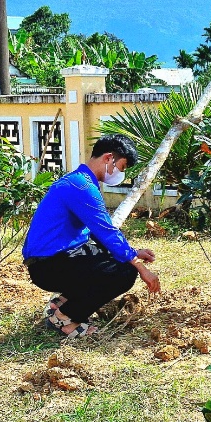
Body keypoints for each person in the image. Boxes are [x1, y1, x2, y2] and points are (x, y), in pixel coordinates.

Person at [23, 135, 161, 338]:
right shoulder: (82, 187)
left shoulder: (80, 181)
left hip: (56, 256)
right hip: (46, 265)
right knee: (123, 273)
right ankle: (64, 318)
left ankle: (60, 303)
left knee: (116, 260)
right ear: (108, 158)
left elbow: (98, 234)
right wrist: (141, 268)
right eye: (121, 168)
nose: (120, 174)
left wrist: (134, 253)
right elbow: (106, 231)